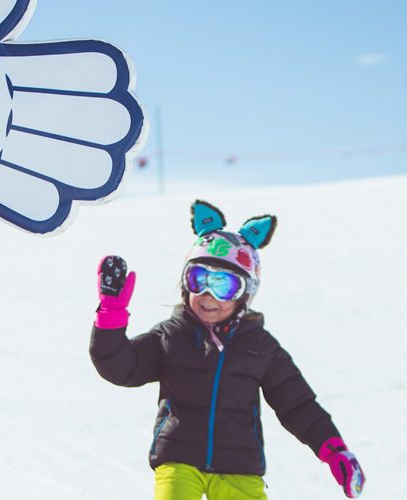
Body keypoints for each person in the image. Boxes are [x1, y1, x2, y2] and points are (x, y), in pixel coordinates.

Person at [89, 200, 365, 499]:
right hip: (179, 459)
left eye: (224, 285)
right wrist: (111, 316)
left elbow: (297, 405)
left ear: (245, 294)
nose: (208, 295)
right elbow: (119, 365)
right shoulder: (171, 335)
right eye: (199, 279)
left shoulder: (261, 348)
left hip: (240, 467)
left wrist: (333, 449)